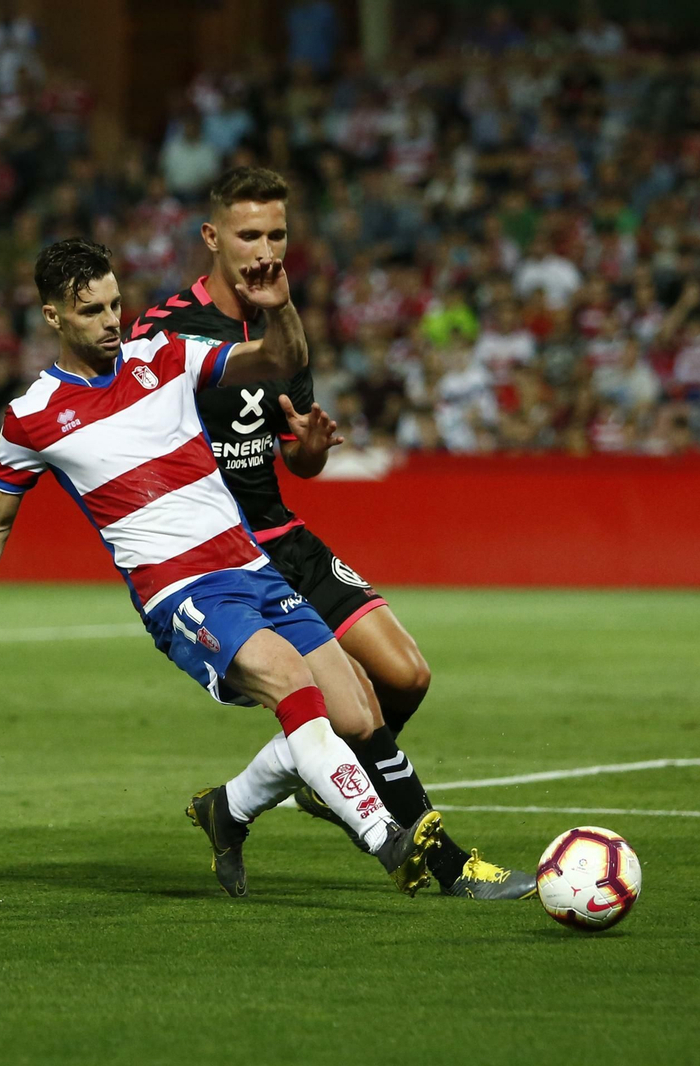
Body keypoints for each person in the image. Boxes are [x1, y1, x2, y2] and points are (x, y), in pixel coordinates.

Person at [0, 238, 443, 899]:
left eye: (115, 304)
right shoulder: (32, 417)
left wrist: (281, 308)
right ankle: (386, 838)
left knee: (356, 715)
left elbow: (277, 359)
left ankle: (229, 809)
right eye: (91, 311)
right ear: (52, 317)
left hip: (254, 568)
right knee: (292, 684)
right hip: (182, 593)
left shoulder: (163, 355)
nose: (112, 321)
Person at [126, 167, 535, 900]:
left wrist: (311, 447)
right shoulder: (164, 333)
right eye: (249, 235)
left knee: (406, 675)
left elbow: (296, 458)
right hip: (222, 553)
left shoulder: (283, 322)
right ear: (213, 237)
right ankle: (448, 864)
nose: (264, 251)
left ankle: (265, 795)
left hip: (282, 534)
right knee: (356, 707)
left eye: (277, 234)